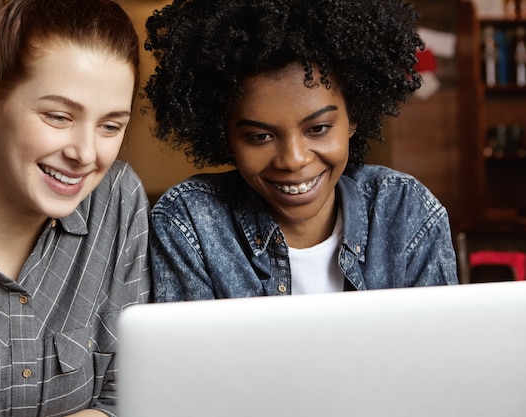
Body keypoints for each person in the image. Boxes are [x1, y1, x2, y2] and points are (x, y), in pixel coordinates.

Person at [0, 0, 150, 415]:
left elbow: (130, 396)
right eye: (58, 116)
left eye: (110, 126)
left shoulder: (117, 201)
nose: (86, 154)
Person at [144, 0, 458, 302]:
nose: (294, 160)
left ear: (354, 118)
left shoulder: (406, 212)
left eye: (318, 128)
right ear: (225, 136)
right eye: (260, 136)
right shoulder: (192, 225)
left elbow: (441, 352)